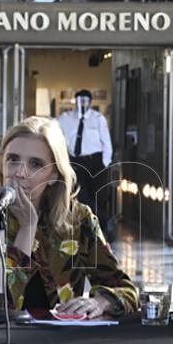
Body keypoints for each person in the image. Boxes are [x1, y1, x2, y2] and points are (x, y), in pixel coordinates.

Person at [0, 116, 137, 318]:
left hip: (58, 341)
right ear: (1, 165)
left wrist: (100, 302)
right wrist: (27, 228)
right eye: (12, 159)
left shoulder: (79, 218)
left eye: (35, 164)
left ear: (53, 175)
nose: (20, 173)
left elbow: (127, 291)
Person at [56, 89, 114, 236]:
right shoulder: (65, 118)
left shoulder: (98, 118)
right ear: (76, 101)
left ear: (90, 102)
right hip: (76, 161)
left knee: (98, 195)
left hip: (95, 161)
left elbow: (106, 142)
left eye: (85, 100)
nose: (83, 103)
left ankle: (100, 226)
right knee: (81, 195)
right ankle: (100, 221)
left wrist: (104, 163)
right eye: (80, 100)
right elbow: (55, 134)